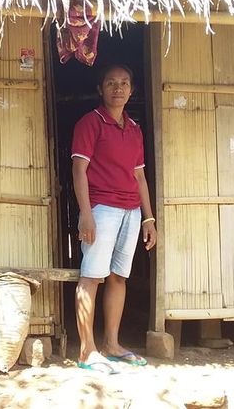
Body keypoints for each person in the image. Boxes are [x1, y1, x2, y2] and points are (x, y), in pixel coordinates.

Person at [71, 64, 157, 374]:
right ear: (100, 89)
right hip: (102, 209)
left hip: (131, 211)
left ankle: (110, 343)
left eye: (124, 83)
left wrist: (148, 219)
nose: (117, 88)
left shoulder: (134, 129)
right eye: (111, 83)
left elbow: (140, 177)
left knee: (118, 277)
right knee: (92, 276)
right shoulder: (89, 123)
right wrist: (86, 214)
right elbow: (79, 170)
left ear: (132, 90)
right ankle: (86, 350)